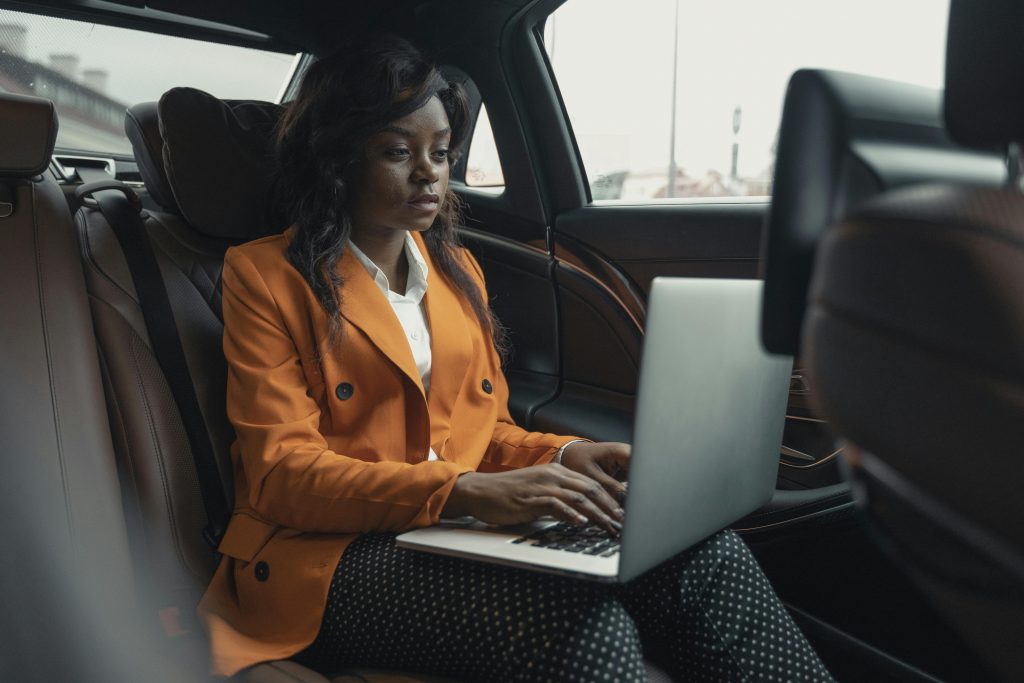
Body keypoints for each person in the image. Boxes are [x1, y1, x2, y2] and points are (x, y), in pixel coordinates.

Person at [197, 35, 834, 682]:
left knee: (707, 556)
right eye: (398, 152)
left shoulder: (456, 270)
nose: (429, 173)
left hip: (452, 525)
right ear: (337, 161)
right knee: (579, 622)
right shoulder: (265, 275)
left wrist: (562, 455)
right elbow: (281, 475)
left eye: (441, 152)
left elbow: (483, 431)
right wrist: (463, 491)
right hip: (326, 559)